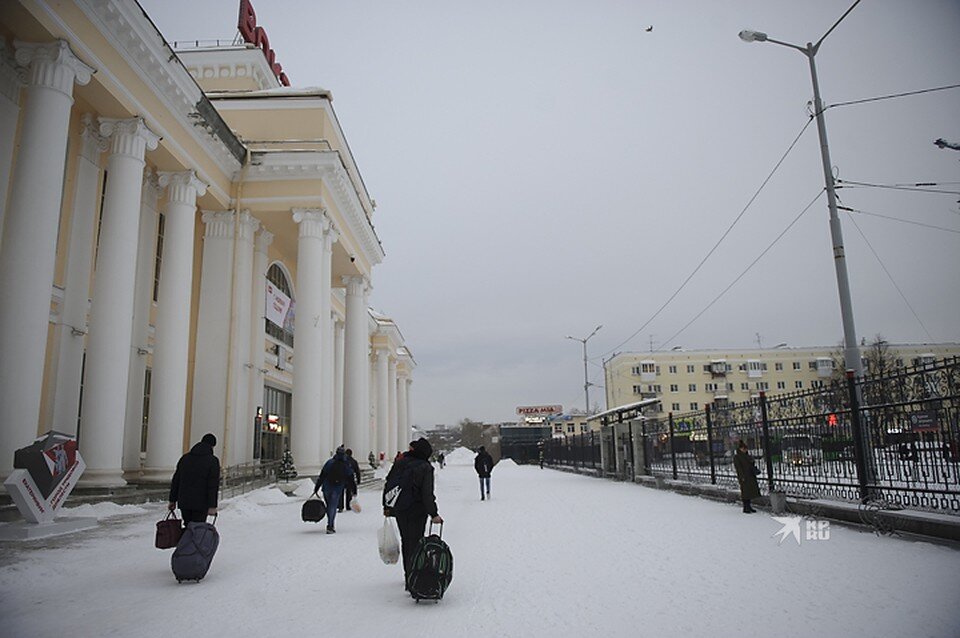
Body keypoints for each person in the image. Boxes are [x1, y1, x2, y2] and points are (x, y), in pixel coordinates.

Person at [382, 438, 443, 586]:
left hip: (401, 509)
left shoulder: (400, 463)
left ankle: (408, 575)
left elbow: (389, 484)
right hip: (417, 510)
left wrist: (387, 506)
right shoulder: (425, 467)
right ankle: (415, 576)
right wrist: (434, 514)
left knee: (406, 541)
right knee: (416, 542)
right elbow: (427, 494)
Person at [168, 433, 221, 526]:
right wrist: (212, 506)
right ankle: (191, 540)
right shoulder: (212, 461)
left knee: (187, 526)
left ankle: (185, 540)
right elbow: (212, 485)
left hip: (184, 501)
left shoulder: (185, 458)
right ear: (212, 446)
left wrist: (172, 500)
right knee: (197, 529)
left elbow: (176, 480)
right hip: (201, 503)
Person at [317, 446, 351, 533]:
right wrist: (353, 490)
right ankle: (330, 525)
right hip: (337, 488)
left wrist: (317, 487)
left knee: (329, 506)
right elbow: (350, 477)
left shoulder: (329, 462)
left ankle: (330, 522)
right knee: (333, 506)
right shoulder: (345, 464)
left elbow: (322, 475)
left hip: (327, 487)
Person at [733, 440, 760, 513]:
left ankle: (749, 506)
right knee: (745, 492)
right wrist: (742, 477)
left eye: (746, 449)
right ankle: (746, 507)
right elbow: (738, 468)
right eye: (743, 449)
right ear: (740, 449)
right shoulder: (737, 457)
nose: (745, 450)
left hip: (750, 476)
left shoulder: (748, 456)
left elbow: (751, 464)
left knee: (750, 492)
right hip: (744, 477)